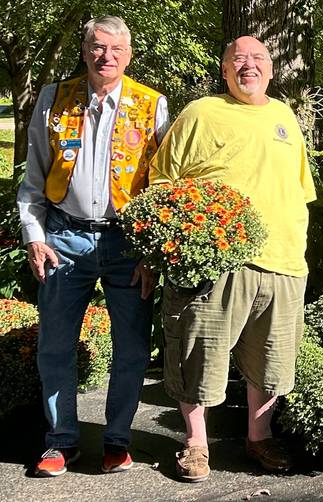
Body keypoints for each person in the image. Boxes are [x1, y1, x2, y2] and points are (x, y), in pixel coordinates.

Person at [150, 36, 316, 483]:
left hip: (282, 261)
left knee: (272, 360)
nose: (249, 65)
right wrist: (183, 241)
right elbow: (162, 180)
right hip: (216, 261)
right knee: (198, 354)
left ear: (272, 69)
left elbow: (301, 191)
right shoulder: (201, 113)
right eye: (238, 59)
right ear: (224, 70)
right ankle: (196, 445)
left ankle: (258, 437)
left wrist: (298, 246)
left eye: (258, 58)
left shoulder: (284, 117)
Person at [16, 15, 168, 477]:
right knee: (55, 344)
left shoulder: (152, 104)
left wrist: (152, 250)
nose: (107, 57)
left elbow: (163, 185)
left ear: (129, 54)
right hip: (64, 235)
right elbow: (33, 181)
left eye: (117, 49)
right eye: (98, 47)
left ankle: (117, 440)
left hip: (128, 241)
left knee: (132, 347)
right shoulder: (52, 99)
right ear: (84, 51)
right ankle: (60, 441)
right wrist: (35, 238)